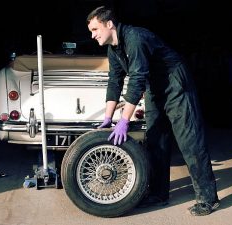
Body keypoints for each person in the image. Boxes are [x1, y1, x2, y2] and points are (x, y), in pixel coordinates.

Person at [86, 6, 220, 216]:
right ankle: (159, 194)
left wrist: (124, 121)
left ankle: (208, 199)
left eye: (95, 29)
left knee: (190, 141)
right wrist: (108, 117)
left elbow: (137, 79)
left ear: (109, 24)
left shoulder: (135, 38)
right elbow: (115, 81)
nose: (93, 35)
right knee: (156, 141)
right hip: (154, 87)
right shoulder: (113, 49)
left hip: (176, 85)